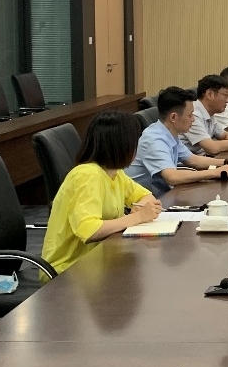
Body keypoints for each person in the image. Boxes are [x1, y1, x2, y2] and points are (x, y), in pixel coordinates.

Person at [41, 110, 163, 274]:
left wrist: (140, 208)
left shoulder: (114, 173)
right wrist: (138, 217)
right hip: (68, 270)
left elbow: (146, 196)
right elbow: (89, 230)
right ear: (121, 145)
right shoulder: (87, 176)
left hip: (100, 259)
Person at [126, 86, 228, 194]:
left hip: (161, 195)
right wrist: (215, 173)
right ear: (173, 117)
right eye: (190, 115)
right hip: (141, 203)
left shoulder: (169, 133)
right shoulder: (154, 140)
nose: (193, 119)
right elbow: (172, 177)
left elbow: (193, 160)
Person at [183, 74, 228, 155]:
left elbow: (225, 135)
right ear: (209, 94)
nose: (227, 101)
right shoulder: (193, 114)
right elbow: (212, 148)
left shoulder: (209, 113)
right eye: (225, 96)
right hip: (187, 161)